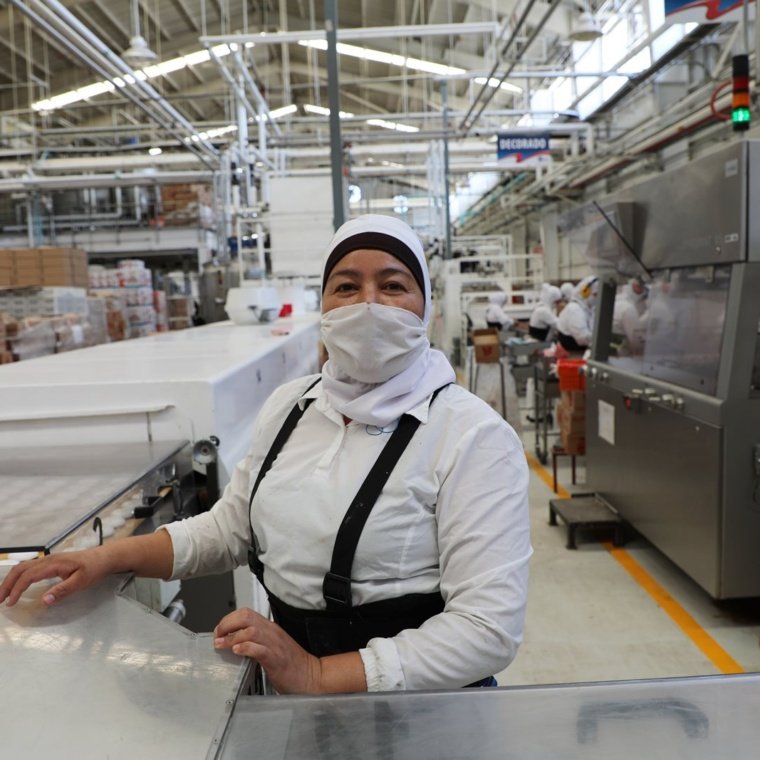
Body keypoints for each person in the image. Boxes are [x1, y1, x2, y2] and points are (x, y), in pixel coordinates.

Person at [0, 214, 531, 695]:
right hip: (297, 704)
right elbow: (231, 529)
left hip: (423, 711)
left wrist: (318, 674)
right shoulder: (292, 408)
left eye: (393, 285)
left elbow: (485, 630)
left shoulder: (471, 436)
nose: (368, 304)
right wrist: (106, 558)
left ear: (426, 308)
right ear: (324, 306)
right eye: (346, 286)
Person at [556, 275, 598, 354]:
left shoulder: (587, 309)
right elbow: (582, 338)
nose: (597, 298)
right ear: (585, 292)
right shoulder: (575, 309)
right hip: (574, 354)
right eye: (595, 295)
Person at [611, 278, 648, 355]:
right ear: (633, 286)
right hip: (619, 355)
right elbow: (637, 343)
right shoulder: (627, 308)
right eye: (638, 286)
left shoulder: (615, 300)